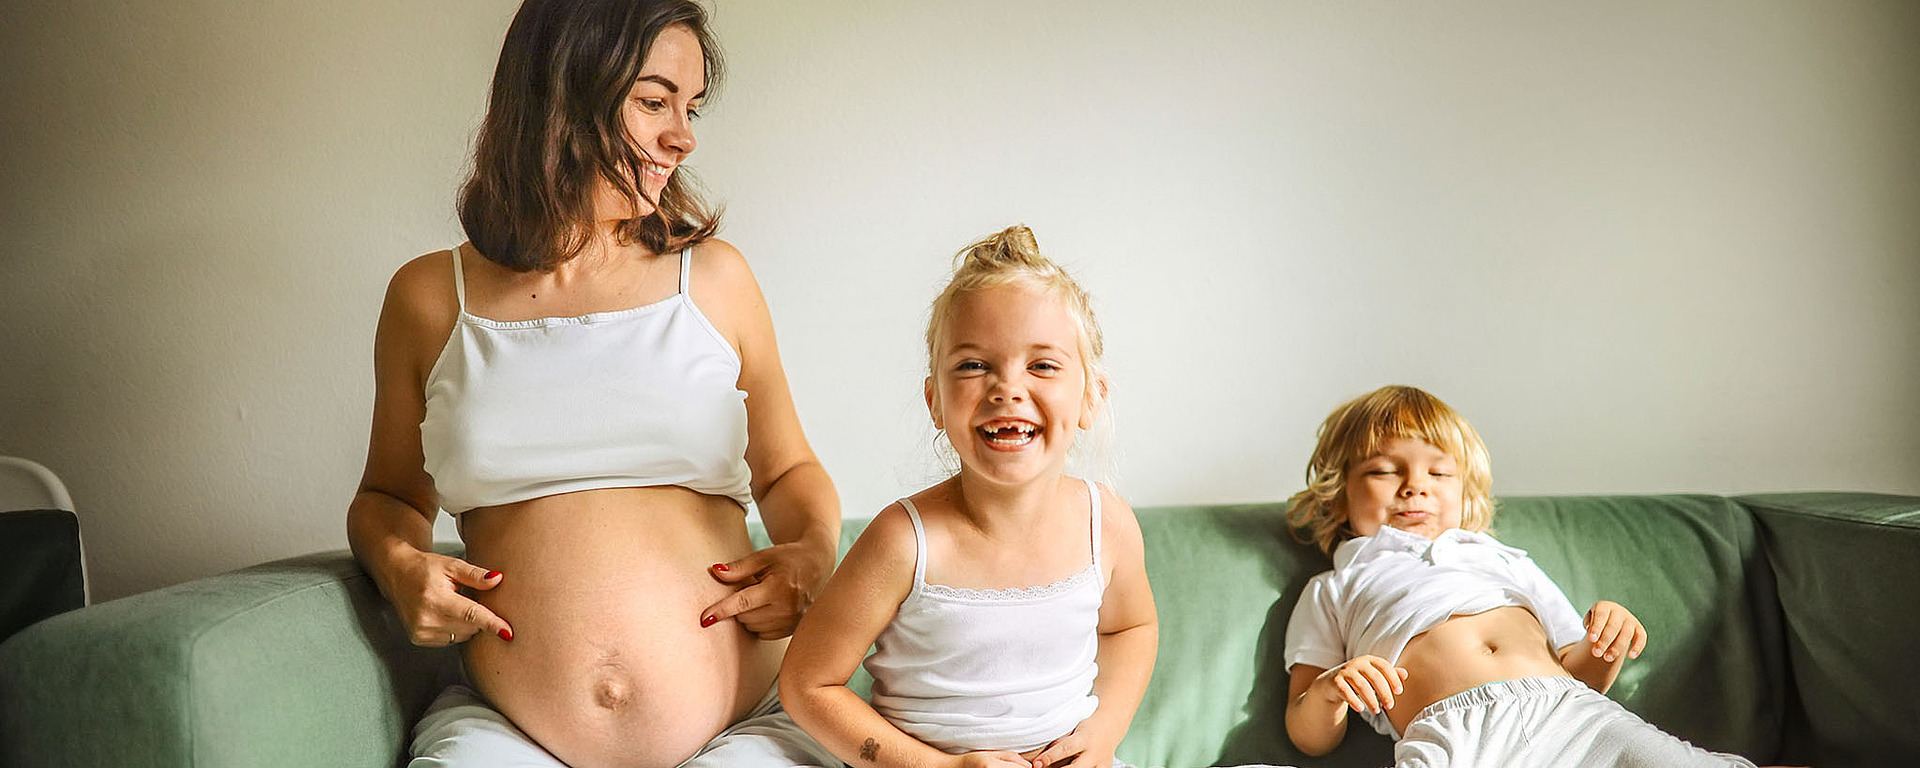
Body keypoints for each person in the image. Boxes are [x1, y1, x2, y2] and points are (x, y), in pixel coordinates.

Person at [344, 2, 841, 766]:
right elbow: (391, 499)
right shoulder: (430, 299)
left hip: (740, 728)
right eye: (653, 101)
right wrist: (401, 566)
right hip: (507, 731)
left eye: (690, 106)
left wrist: (811, 553)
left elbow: (789, 472)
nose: (684, 136)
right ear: (561, 94)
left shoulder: (713, 281)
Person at [779, 226, 1157, 768]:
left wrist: (1104, 733)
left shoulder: (1108, 525)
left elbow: (1132, 627)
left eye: (1043, 364)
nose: (1007, 387)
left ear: (1091, 396)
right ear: (935, 401)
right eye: (974, 365)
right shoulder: (904, 541)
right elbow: (807, 684)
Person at [1280, 385, 1761, 767]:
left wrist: (1605, 644)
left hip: (1568, 712)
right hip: (1451, 734)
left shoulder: (1505, 559)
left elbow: (1583, 675)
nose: (1415, 486)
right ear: (1338, 495)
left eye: (1439, 474)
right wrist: (1330, 690)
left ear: (1466, 495)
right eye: (1385, 470)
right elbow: (1309, 738)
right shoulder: (1335, 586)